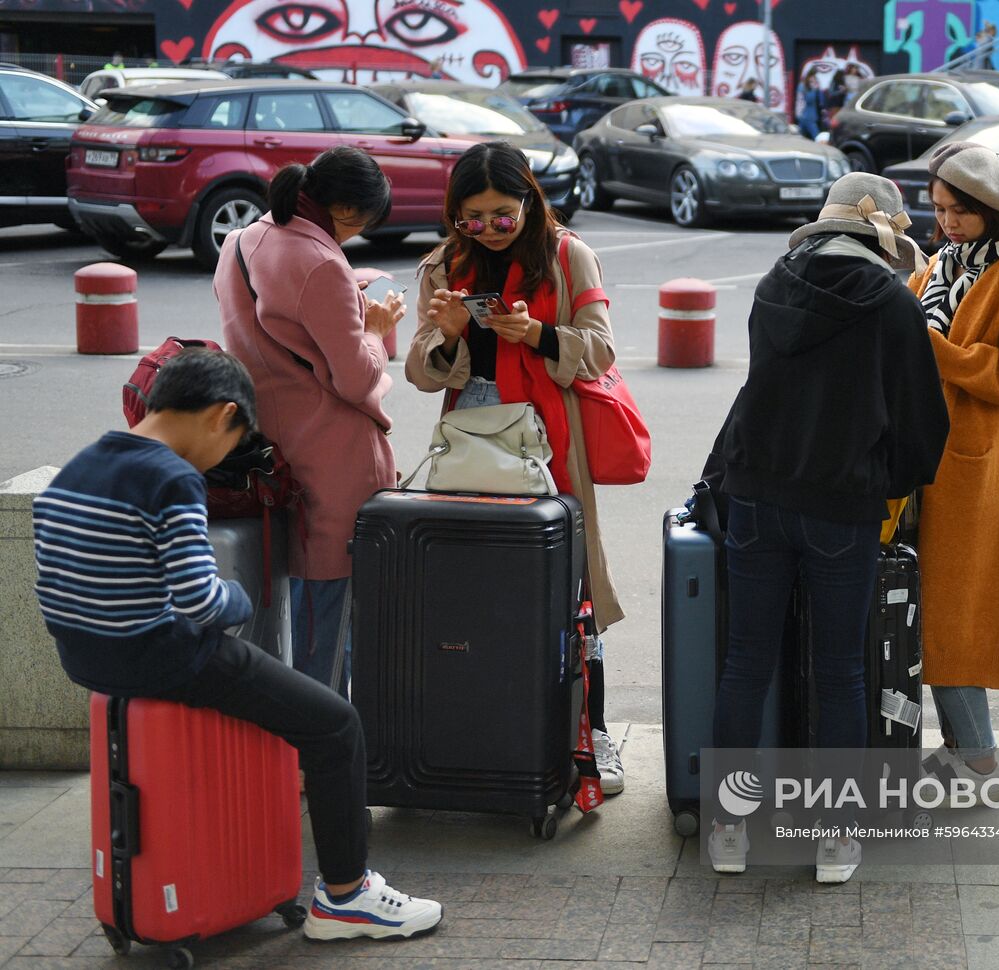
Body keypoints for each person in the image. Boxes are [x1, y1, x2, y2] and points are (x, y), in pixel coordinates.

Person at [32, 350, 442, 941]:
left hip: (86, 659)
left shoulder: (79, 466)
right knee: (335, 725)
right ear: (222, 416)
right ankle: (347, 897)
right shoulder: (171, 477)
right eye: (233, 442)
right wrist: (242, 597)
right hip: (164, 657)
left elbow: (51, 583)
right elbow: (202, 601)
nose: (223, 458)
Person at [707, 172, 949, 883]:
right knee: (842, 672)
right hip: (842, 507)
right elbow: (920, 427)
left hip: (755, 494)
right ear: (884, 236)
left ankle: (727, 829)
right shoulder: (891, 307)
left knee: (745, 661)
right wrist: (887, 482)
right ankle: (836, 837)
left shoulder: (772, 287)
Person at [406, 141, 628, 795]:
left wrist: (536, 335)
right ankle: (486, 727)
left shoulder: (567, 255)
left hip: (551, 448)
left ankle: (596, 732)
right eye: (471, 217)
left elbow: (602, 351)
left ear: (530, 200)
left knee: (573, 591)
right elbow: (420, 372)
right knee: (480, 594)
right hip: (470, 451)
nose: (488, 230)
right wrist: (445, 335)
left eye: (502, 215)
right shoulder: (444, 262)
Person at [214, 146, 404, 696]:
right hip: (334, 458)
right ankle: (319, 752)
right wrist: (374, 327)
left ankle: (298, 746)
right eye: (364, 222)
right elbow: (356, 379)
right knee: (332, 613)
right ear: (347, 210)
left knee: (292, 611)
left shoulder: (242, 241)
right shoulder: (323, 263)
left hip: (271, 449)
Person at [906, 143, 999, 791]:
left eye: (960, 211)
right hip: (930, 460)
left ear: (989, 209)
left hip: (979, 472)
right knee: (929, 613)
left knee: (952, 618)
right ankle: (962, 748)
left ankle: (980, 758)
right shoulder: (941, 262)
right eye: (939, 210)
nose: (949, 222)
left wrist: (941, 354)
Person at [796, 68, 826, 139]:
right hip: (807, 115)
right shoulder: (803, 86)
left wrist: (818, 89)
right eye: (813, 77)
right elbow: (807, 100)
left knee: (800, 136)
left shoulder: (814, 86)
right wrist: (814, 89)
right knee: (816, 136)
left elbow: (821, 100)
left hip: (809, 115)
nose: (814, 79)